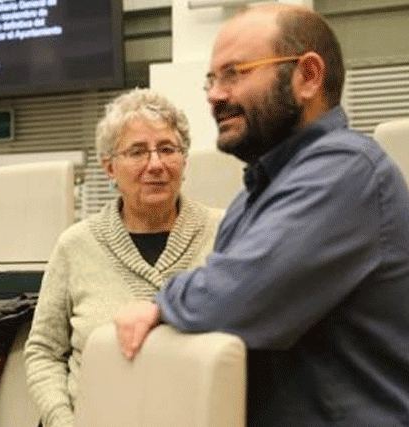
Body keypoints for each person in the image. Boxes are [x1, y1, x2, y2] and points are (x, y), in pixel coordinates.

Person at [115, 5, 409, 426]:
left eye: (235, 73)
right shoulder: (251, 197)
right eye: (212, 79)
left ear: (308, 76)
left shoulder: (347, 170)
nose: (214, 95)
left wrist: (160, 304)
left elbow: (232, 298)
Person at [24, 88, 224, 427]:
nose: (156, 165)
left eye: (167, 149)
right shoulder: (75, 245)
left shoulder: (224, 234)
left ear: (184, 161)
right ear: (110, 168)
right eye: (137, 152)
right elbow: (43, 352)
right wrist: (63, 421)